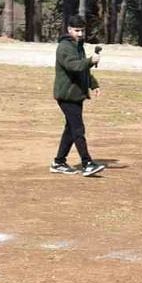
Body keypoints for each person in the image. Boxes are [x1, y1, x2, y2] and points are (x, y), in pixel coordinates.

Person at [51, 16, 106, 176]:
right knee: (78, 128)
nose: (80, 34)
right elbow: (73, 66)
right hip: (66, 95)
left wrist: (93, 84)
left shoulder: (78, 46)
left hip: (76, 94)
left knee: (70, 129)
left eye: (82, 30)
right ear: (69, 30)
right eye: (77, 30)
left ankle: (59, 162)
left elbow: (83, 70)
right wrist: (90, 60)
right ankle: (87, 163)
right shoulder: (64, 47)